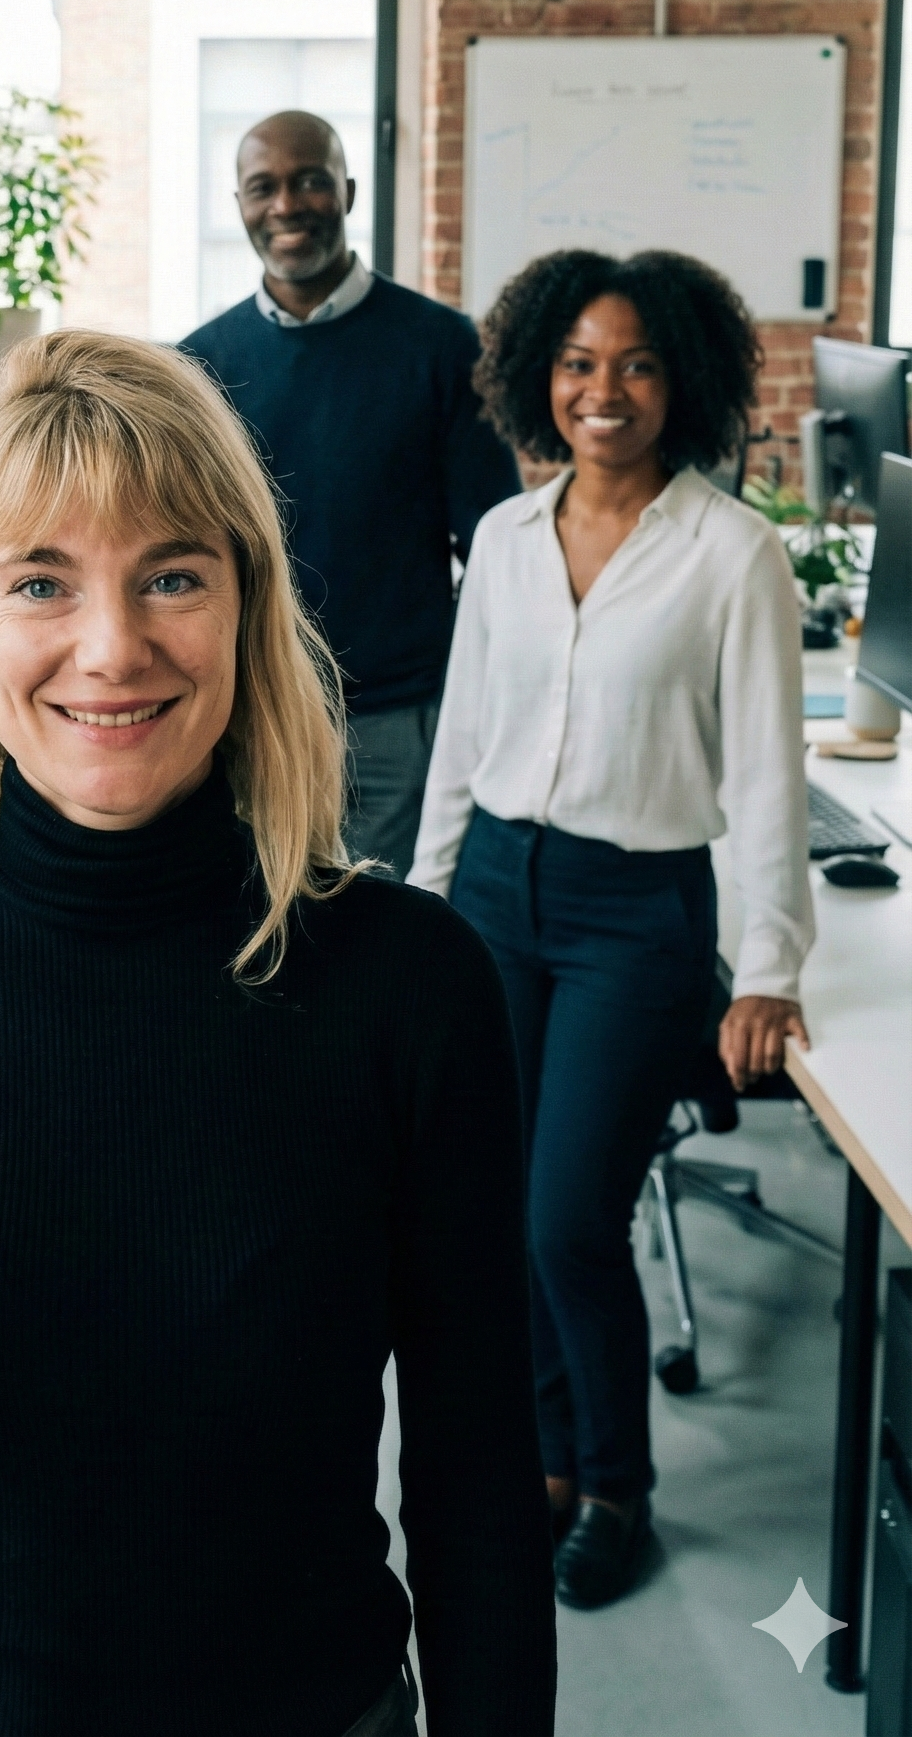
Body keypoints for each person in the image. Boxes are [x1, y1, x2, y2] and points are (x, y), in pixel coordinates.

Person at [0, 331, 556, 1737]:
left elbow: (475, 1480)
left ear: (244, 604)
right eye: (42, 581)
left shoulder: (412, 986)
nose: (114, 649)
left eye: (172, 575)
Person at [407, 249, 813, 1610]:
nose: (604, 390)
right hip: (495, 898)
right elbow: (465, 740)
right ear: (540, 379)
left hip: (633, 914)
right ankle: (542, 1465)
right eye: (578, 362)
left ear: (679, 378)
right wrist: (426, 909)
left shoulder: (732, 553)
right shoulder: (512, 539)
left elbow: (766, 777)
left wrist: (768, 970)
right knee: (493, 1201)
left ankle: (618, 1486)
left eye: (635, 363)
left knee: (566, 1217)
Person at [182, 109, 518, 879]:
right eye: (263, 187)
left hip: (398, 719)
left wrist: (467, 704)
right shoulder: (200, 365)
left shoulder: (443, 346)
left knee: (382, 949)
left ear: (349, 191)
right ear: (240, 205)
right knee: (257, 935)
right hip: (253, 711)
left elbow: (498, 549)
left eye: (310, 182)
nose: (287, 205)